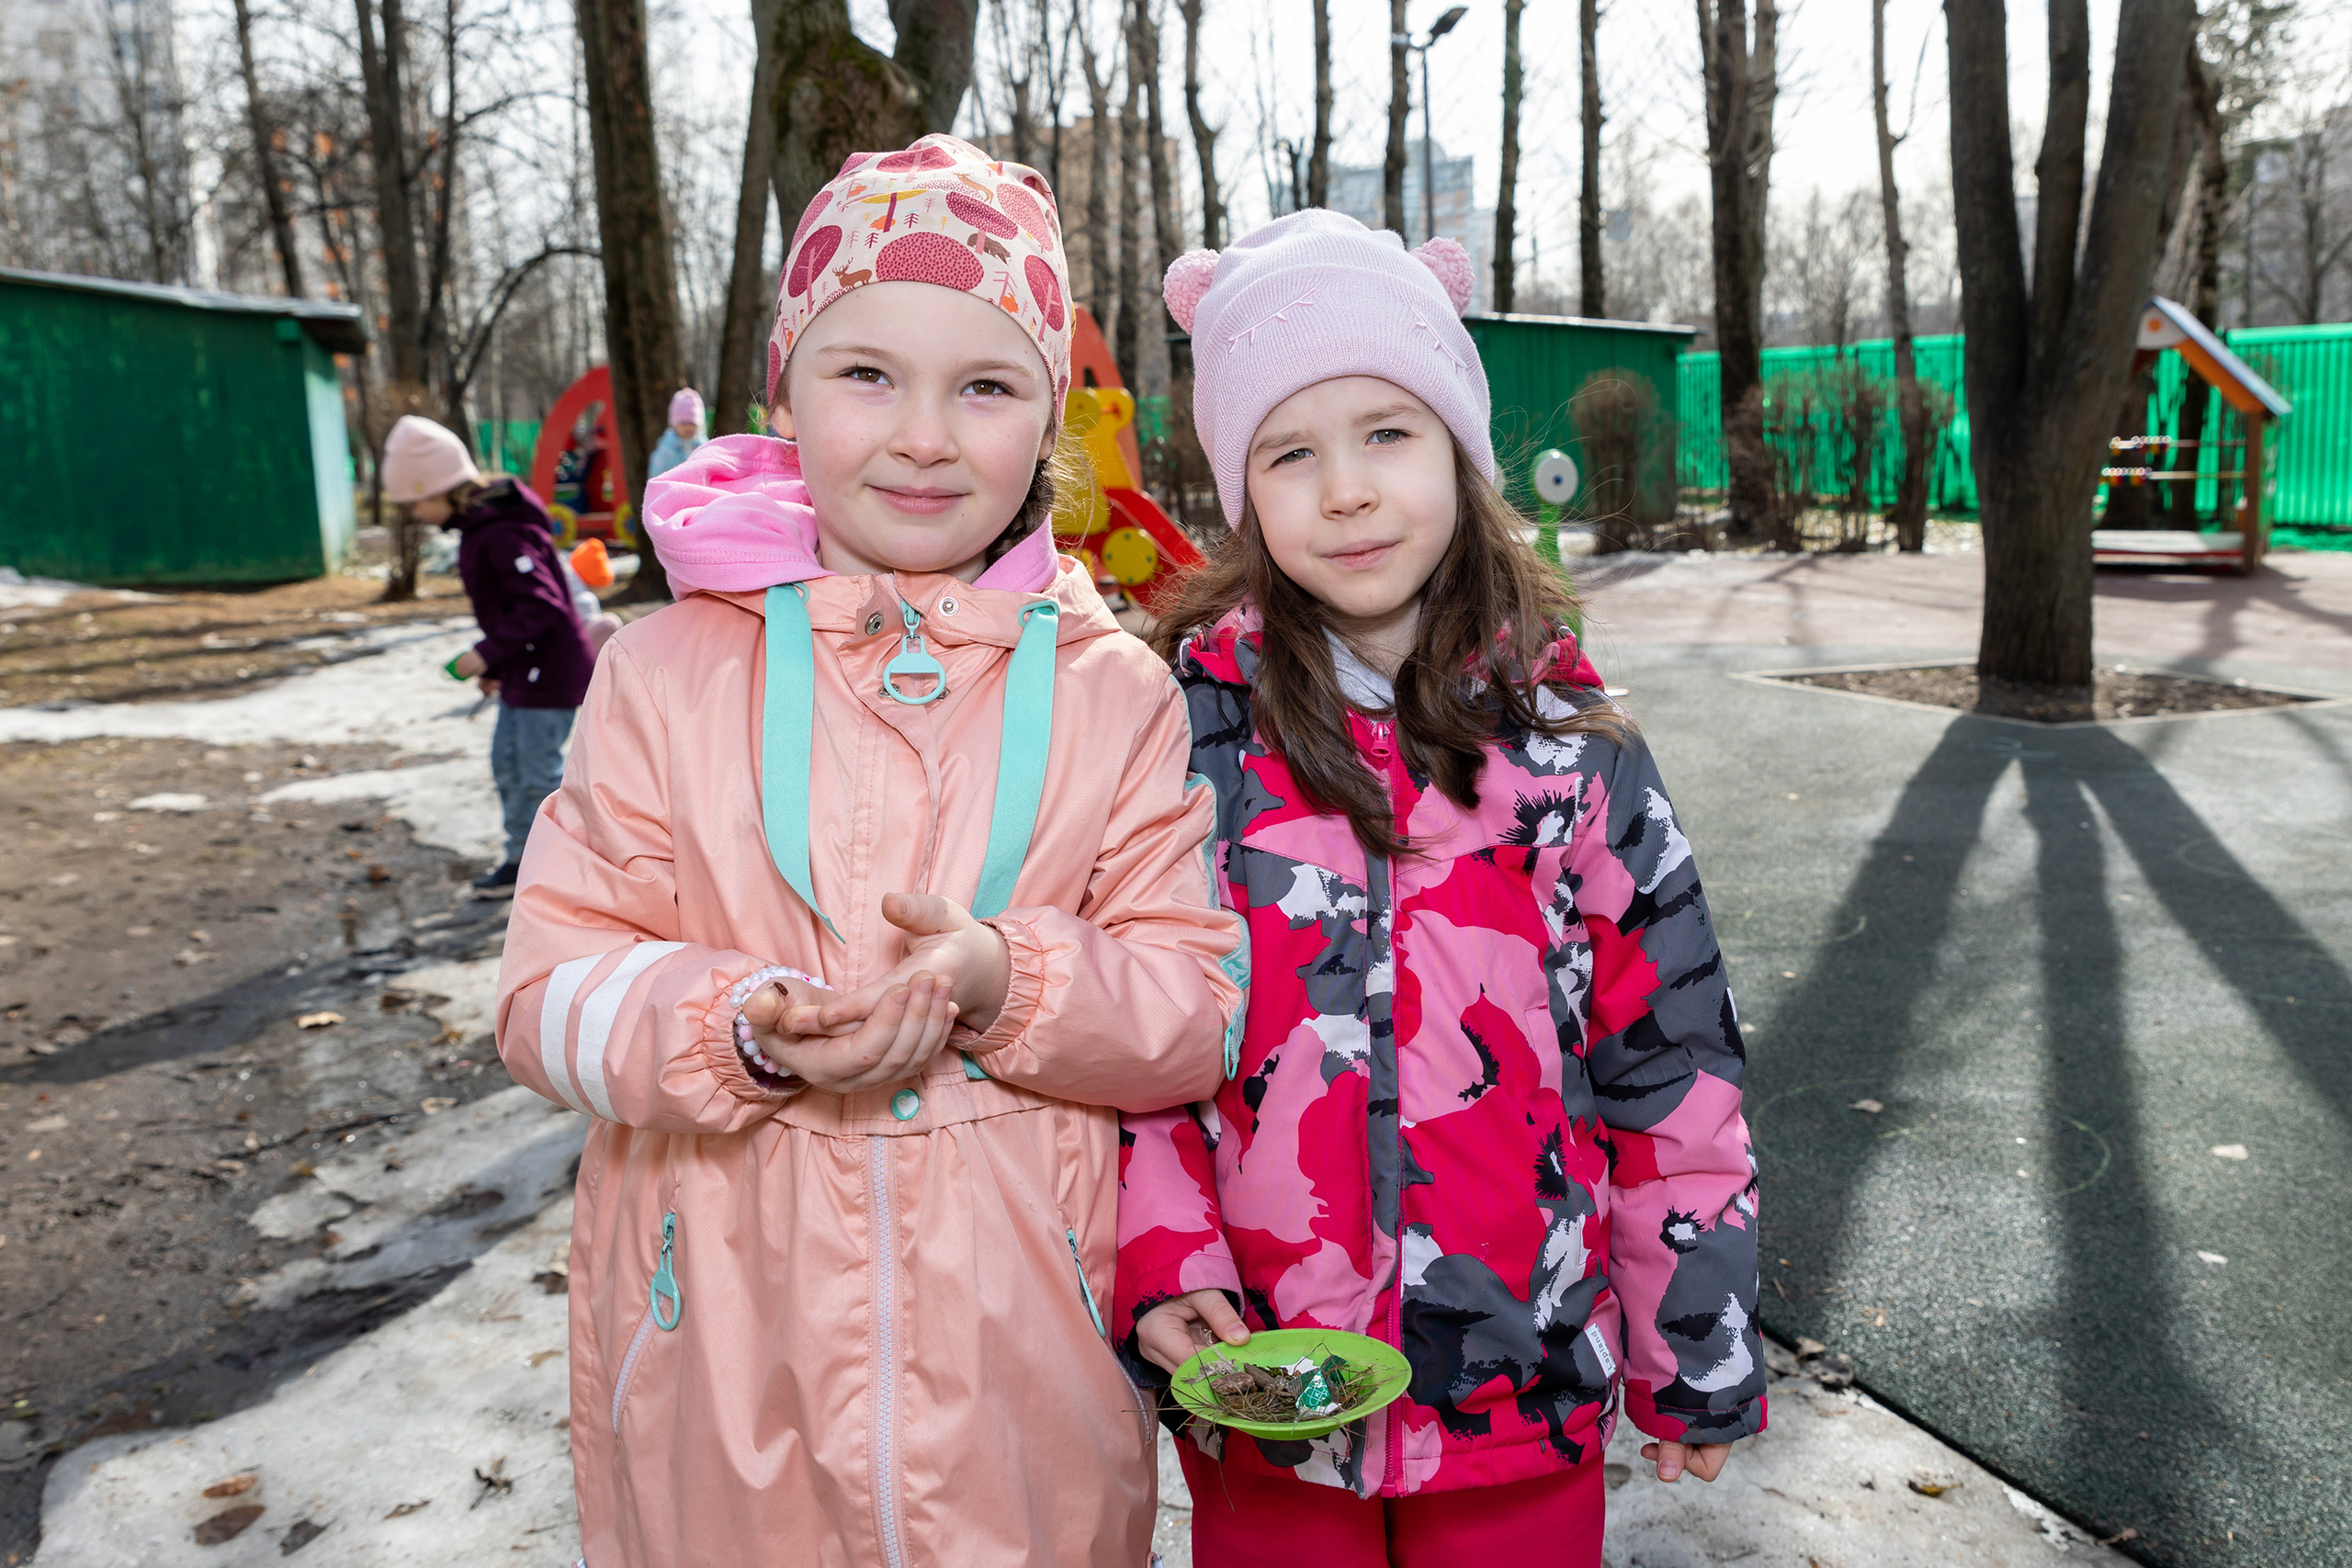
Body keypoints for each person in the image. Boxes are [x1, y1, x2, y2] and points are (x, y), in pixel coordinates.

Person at [492, 133, 1245, 1568]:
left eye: (984, 384)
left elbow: (1195, 1012)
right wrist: (737, 1027)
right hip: (721, 1356)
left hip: (1026, 1375)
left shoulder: (1114, 688)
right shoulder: (664, 673)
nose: (922, 434)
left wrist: (1002, 981)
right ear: (783, 386)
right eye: (867, 374)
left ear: (1049, 421)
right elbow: (546, 996)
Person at [1114, 211, 1765, 1567]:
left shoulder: (1572, 746)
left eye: (1388, 433)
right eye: (1291, 451)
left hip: (1519, 1381)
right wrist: (1167, 1266)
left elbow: (1672, 1063)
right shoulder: (1183, 745)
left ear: (1461, 452)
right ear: (1242, 488)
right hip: (1271, 1390)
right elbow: (1139, 1050)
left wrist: (1694, 1333)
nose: (1346, 489)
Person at [379, 415, 593, 897]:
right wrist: (497, 664)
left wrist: (486, 653)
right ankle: (524, 859)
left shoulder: (500, 532)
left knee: (536, 771)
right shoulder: (482, 529)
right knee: (508, 763)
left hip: (549, 671)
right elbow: (512, 611)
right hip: (526, 668)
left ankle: (562, 868)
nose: (416, 513)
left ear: (440, 488)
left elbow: (541, 605)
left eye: (416, 502)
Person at [647, 386, 705, 478]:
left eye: (692, 423)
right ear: (674, 424)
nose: (688, 428)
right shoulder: (666, 450)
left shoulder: (703, 446)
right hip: (672, 490)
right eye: (683, 423)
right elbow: (656, 474)